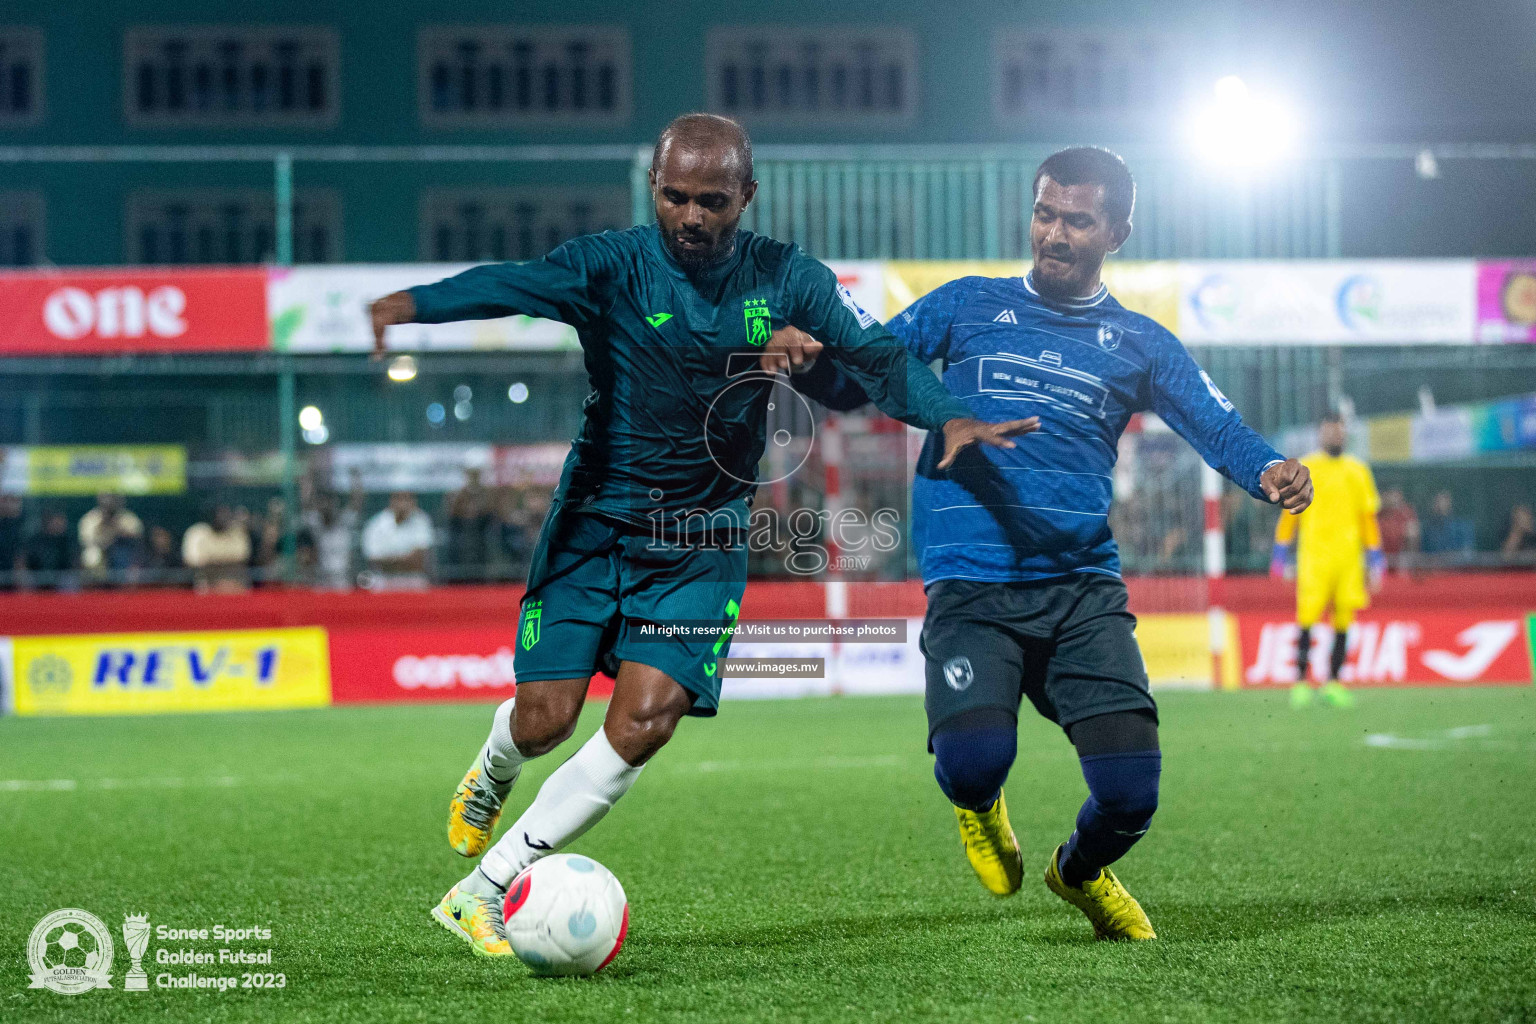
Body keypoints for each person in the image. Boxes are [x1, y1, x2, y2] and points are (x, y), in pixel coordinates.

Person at [369, 112, 1033, 957]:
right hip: (593, 525)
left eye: (712, 200)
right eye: (675, 196)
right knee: (543, 721)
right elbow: (511, 283)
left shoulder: (787, 278)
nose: (691, 216)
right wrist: (414, 305)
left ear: (746, 196)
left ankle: (485, 889)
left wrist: (946, 417)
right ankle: (494, 771)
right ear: (654, 188)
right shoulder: (610, 266)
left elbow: (874, 359)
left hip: (703, 536)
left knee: (645, 722)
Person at [781, 146, 1312, 941]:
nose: (1055, 234)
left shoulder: (1140, 342)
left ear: (1117, 232)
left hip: (1080, 592)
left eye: (1078, 220)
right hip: (971, 585)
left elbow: (1216, 423)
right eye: (1045, 213)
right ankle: (979, 806)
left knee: (1132, 794)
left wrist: (1268, 467)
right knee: (972, 763)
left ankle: (1080, 870)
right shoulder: (963, 304)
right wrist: (808, 367)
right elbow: (864, 376)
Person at [1270, 414, 1383, 709]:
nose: (1334, 436)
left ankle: (1334, 682)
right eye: (1329, 431)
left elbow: (1367, 518)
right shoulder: (1307, 468)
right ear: (1320, 435)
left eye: (1338, 432)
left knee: (1344, 620)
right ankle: (1300, 682)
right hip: (1314, 558)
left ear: (1345, 435)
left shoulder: (1358, 470)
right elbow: (1289, 513)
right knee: (1306, 618)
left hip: (1349, 560)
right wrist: (1280, 552)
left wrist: (1375, 557)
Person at [360, 491, 434, 588]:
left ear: (413, 501)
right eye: (399, 498)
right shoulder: (376, 524)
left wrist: (390, 559)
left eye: (407, 498)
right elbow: (373, 559)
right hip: (384, 579)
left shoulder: (421, 520)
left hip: (414, 579)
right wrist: (403, 559)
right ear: (391, 500)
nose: (403, 503)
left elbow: (418, 560)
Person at [182, 503, 252, 592]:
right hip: (206, 581)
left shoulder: (237, 533)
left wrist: (213, 559)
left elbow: (242, 556)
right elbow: (192, 560)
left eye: (225, 514)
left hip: (233, 581)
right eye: (218, 514)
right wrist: (222, 560)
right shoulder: (197, 532)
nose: (221, 518)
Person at [78, 492, 144, 584]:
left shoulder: (127, 517)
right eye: (106, 500)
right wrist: (102, 528)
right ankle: (97, 585)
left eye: (112, 499)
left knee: (123, 556)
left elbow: (137, 534)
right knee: (91, 556)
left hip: (122, 551)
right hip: (100, 550)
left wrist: (117, 528)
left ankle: (122, 584)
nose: (109, 503)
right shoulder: (91, 518)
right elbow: (86, 541)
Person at [19, 507, 79, 590]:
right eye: (56, 519)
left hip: (62, 576)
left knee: (70, 580)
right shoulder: (35, 539)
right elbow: (23, 560)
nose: (59, 523)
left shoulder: (68, 539)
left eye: (61, 519)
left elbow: (75, 562)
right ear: (47, 521)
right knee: (27, 580)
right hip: (37, 575)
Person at [1420, 490, 1475, 560]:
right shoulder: (1427, 529)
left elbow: (1467, 555)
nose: (1440, 505)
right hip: (1434, 569)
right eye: (1437, 501)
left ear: (1451, 503)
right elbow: (1423, 556)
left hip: (1457, 569)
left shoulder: (1463, 527)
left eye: (1444, 501)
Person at [1377, 488, 1419, 571]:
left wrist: (1406, 560)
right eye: (1388, 494)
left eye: (1395, 494)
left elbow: (1413, 541)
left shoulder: (1406, 514)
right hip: (1380, 562)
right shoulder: (1376, 515)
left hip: (1401, 563)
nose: (1391, 497)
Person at [0, 494, 23, 588]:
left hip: (11, 579)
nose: (7, 505)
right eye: (4, 500)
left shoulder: (18, 527)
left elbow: (20, 557)